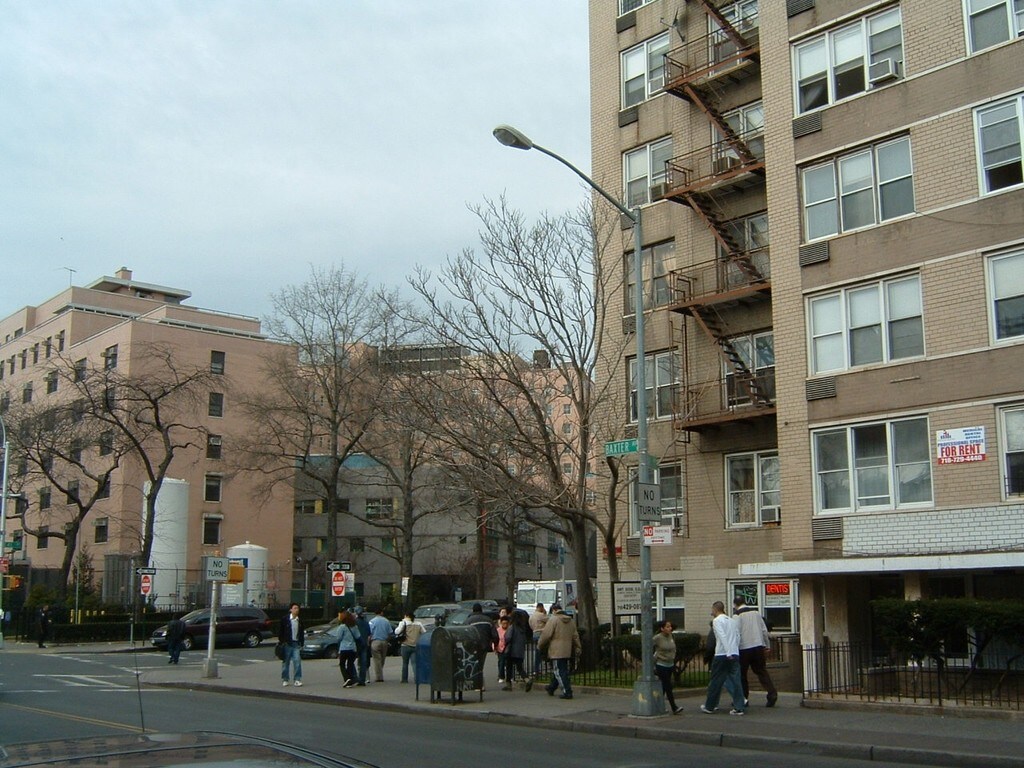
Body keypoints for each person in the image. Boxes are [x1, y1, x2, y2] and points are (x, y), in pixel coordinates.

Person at [699, 601, 745, 715]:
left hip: (722, 654)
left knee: (716, 681)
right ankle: (739, 707)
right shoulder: (732, 621)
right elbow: (737, 636)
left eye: (712, 609)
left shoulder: (717, 621)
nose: (711, 612)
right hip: (735, 653)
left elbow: (721, 635)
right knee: (736, 680)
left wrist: (727, 651)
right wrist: (734, 649)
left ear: (715, 609)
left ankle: (710, 706)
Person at [733, 597, 779, 707]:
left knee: (742, 675)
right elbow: (764, 630)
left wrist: (734, 648)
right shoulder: (756, 613)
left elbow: (736, 633)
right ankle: (772, 693)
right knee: (761, 671)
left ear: (735, 605)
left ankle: (744, 698)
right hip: (758, 646)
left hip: (744, 648)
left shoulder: (737, 615)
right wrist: (767, 646)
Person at [538, 603, 581, 700]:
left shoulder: (553, 620)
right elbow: (575, 636)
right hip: (567, 649)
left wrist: (540, 645)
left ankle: (567, 691)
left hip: (556, 650)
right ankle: (551, 687)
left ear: (554, 610)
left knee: (559, 671)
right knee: (561, 669)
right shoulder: (570, 621)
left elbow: (546, 635)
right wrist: (578, 646)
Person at [654, 619, 682, 714]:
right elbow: (649, 647)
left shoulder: (671, 636)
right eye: (667, 627)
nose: (670, 628)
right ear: (662, 628)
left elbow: (673, 648)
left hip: (670, 664)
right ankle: (674, 707)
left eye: (670, 626)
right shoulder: (658, 638)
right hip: (661, 664)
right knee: (668, 686)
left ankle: (658, 706)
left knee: (664, 687)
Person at [466, 603, 497, 684]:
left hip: (472, 645)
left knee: (474, 663)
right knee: (480, 663)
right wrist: (495, 645)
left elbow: (464, 633)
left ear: (473, 610)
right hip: (484, 645)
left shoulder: (468, 621)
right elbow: (495, 635)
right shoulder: (488, 620)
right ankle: (480, 682)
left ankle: (477, 682)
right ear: (481, 610)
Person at [505, 609, 532, 692]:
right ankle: (527, 679)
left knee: (509, 667)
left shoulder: (512, 627)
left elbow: (508, 638)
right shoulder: (522, 628)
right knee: (519, 668)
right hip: (520, 651)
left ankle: (508, 684)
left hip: (511, 650)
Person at [278, 602, 304, 686]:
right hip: (287, 643)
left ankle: (297, 679)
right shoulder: (285, 619)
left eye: (297, 608)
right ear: (290, 609)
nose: (297, 610)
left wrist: (301, 643)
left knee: (297, 661)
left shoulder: (299, 620)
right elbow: (281, 631)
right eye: (295, 608)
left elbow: (301, 633)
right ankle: (285, 679)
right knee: (286, 662)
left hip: (296, 643)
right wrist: (282, 641)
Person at [395, 612, 424, 684]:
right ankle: (417, 679)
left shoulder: (403, 623)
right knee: (414, 663)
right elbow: (424, 632)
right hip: (415, 645)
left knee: (405, 663)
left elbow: (397, 632)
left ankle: (404, 679)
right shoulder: (419, 624)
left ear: (406, 616)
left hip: (405, 645)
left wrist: (403, 621)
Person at [336, 611, 360, 688]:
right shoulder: (354, 626)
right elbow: (357, 637)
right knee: (350, 664)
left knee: (342, 664)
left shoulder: (342, 627)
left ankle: (347, 679)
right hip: (353, 648)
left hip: (344, 648)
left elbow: (338, 638)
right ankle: (350, 679)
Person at [368, 611, 393, 682]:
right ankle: (380, 674)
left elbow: (370, 633)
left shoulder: (372, 621)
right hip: (384, 641)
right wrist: (387, 640)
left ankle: (379, 677)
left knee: (376, 660)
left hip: (375, 641)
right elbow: (390, 632)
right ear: (381, 613)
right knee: (382, 659)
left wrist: (369, 642)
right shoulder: (386, 621)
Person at [353, 607, 372, 686]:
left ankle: (354, 677)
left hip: (356, 644)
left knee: (351, 661)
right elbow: (369, 634)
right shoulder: (365, 622)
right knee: (363, 662)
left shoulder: (354, 622)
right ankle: (362, 679)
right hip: (364, 644)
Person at [529, 602, 548, 675]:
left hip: (534, 633)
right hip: (541, 633)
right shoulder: (541, 615)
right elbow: (550, 622)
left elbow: (530, 625)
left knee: (537, 652)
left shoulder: (531, 616)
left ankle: (536, 669)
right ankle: (539, 668)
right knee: (542, 652)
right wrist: (545, 613)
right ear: (541, 607)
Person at [494, 615, 511, 684]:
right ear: (501, 623)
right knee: (501, 662)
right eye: (503, 623)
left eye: (506, 623)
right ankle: (501, 676)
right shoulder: (498, 630)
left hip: (508, 648)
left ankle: (509, 676)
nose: (505, 625)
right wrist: (495, 648)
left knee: (508, 663)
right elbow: (495, 639)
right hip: (500, 648)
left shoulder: (510, 630)